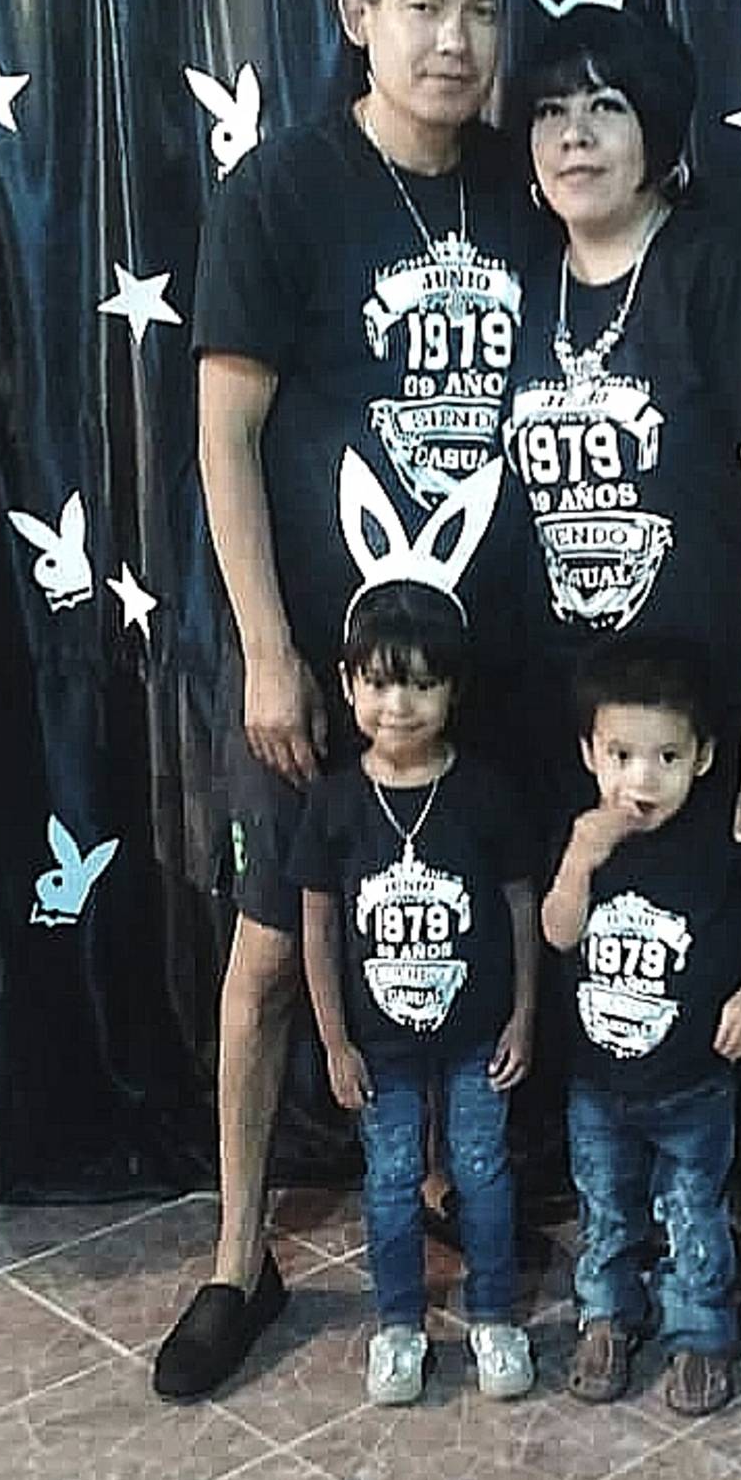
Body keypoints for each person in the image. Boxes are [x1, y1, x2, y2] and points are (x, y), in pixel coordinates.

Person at [154, 0, 528, 1401]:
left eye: (483, 10)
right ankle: (238, 1254)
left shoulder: (521, 180)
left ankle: (445, 1188)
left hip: (489, 666)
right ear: (358, 16)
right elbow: (224, 432)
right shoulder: (284, 193)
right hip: (325, 669)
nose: (456, 42)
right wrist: (266, 647)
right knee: (268, 953)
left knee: (468, 918)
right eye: (424, 7)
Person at [506, 4, 741, 1341]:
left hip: (717, 721)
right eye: (552, 110)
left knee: (738, 965)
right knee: (618, 974)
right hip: (584, 729)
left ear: (661, 137)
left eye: (607, 108)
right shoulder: (522, 285)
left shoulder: (714, 268)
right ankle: (630, 1229)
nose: (575, 135)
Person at [288, 578, 536, 1402]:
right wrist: (334, 1040)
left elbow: (522, 906)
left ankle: (495, 1315)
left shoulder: (487, 791)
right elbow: (318, 927)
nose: (400, 705)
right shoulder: (333, 802)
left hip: (478, 1033)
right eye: (381, 682)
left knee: (482, 1168)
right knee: (392, 1176)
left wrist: (524, 1017)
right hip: (378, 1041)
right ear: (348, 683)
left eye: (423, 684)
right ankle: (399, 1324)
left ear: (453, 690)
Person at [543, 637, 741, 1415]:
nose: (642, 780)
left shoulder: (725, 837)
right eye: (621, 755)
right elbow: (557, 933)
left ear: (704, 757)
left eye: (667, 757)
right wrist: (578, 862)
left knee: (693, 1211)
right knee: (604, 1209)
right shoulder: (582, 836)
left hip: (694, 1082)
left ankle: (701, 1330)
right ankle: (606, 1316)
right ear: (589, 753)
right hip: (597, 1084)